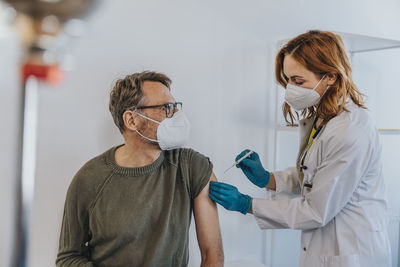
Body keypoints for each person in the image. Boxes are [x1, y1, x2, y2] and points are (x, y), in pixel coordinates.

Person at [209, 30, 391, 267]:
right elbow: (316, 174)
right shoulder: (325, 117)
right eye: (287, 80)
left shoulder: (350, 131)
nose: (290, 89)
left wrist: (247, 204)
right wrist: (269, 179)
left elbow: (315, 211)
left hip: (352, 251)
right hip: (325, 249)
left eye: (298, 81)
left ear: (331, 77)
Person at [56, 71, 224, 267]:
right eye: (166, 108)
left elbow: (212, 256)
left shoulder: (192, 168)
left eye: (176, 106)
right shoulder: (89, 179)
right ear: (131, 120)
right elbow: (68, 258)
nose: (177, 115)